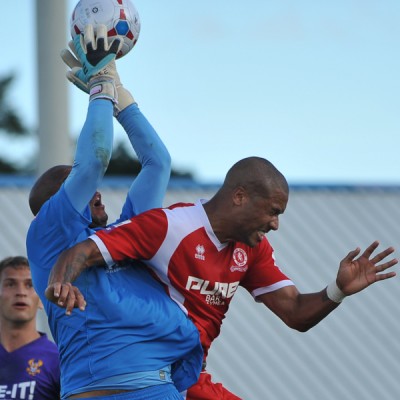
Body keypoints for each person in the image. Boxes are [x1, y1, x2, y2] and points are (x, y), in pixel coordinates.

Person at [45, 156, 398, 400]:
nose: (276, 224)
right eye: (273, 211)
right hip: (150, 373)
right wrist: (63, 282)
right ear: (240, 197)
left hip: (189, 375)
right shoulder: (172, 226)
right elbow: (83, 251)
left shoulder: (252, 249)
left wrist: (337, 291)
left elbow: (294, 312)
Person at [26, 25, 202, 400]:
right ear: (57, 204)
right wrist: (99, 90)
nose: (97, 194)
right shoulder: (49, 232)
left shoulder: (120, 237)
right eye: (82, 191)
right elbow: (93, 162)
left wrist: (121, 99)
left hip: (162, 387)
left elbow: (158, 163)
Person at [0, 256, 61, 400]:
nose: (21, 292)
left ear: (41, 299)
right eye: (10, 284)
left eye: (30, 285)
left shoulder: (57, 360)